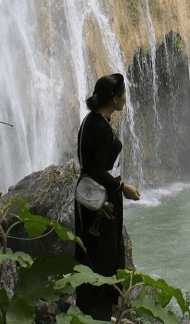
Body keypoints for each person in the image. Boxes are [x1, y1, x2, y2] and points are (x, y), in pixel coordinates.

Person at [74, 72, 141, 321]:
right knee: (101, 256)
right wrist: (123, 187)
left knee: (106, 253)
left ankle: (101, 311)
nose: (126, 98)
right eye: (124, 94)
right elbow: (94, 169)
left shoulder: (93, 120)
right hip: (99, 202)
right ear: (114, 98)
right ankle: (97, 313)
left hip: (100, 197)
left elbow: (93, 165)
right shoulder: (97, 126)